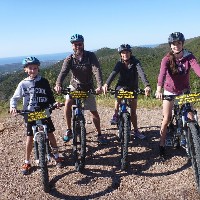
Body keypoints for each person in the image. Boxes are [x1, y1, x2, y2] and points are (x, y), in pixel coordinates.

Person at [10, 56, 64, 175]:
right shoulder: (23, 84)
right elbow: (15, 98)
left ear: (38, 69)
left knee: (50, 134)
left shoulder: (44, 81)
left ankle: (56, 155)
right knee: (29, 137)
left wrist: (55, 103)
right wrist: (13, 107)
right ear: (25, 69)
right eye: (30, 68)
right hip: (30, 113)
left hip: (44, 111)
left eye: (35, 68)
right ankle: (27, 161)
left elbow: (50, 97)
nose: (33, 70)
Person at [54, 34, 108, 144]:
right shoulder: (69, 59)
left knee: (93, 111)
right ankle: (69, 130)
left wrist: (99, 85)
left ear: (83, 44)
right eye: (75, 44)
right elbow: (63, 72)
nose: (77, 46)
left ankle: (99, 134)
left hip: (88, 87)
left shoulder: (90, 56)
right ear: (72, 46)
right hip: (75, 86)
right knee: (68, 102)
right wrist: (58, 84)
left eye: (79, 44)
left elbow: (96, 70)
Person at [155, 32, 200, 158]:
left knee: (191, 116)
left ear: (182, 44)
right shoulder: (166, 59)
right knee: (167, 119)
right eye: (174, 44)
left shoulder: (189, 56)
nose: (176, 46)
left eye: (179, 43)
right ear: (170, 45)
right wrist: (159, 90)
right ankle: (162, 145)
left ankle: (193, 139)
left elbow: (197, 69)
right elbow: (162, 75)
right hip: (170, 91)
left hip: (184, 90)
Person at [102, 44, 151, 139]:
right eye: (123, 52)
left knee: (133, 111)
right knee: (119, 94)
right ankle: (116, 115)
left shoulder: (135, 62)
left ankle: (136, 130)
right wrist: (106, 84)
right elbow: (113, 73)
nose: (125, 54)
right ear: (120, 54)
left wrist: (147, 85)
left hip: (133, 87)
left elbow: (141, 73)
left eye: (127, 52)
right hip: (121, 86)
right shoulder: (119, 63)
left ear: (130, 53)